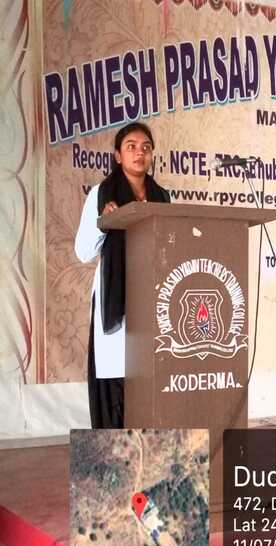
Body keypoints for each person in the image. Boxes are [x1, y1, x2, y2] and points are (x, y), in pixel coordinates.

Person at [74, 122, 169, 428]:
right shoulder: (101, 194)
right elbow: (83, 252)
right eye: (131, 147)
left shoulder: (162, 197)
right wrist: (105, 222)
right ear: (118, 155)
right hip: (115, 298)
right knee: (116, 379)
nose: (140, 153)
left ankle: (152, 449)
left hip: (153, 296)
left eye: (146, 147)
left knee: (150, 380)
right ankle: (116, 450)